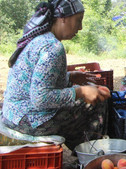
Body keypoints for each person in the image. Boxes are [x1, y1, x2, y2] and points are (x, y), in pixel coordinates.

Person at [1, 0, 111, 151]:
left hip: (13, 115)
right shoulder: (53, 47)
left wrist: (70, 77)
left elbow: (40, 81)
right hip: (29, 121)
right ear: (63, 18)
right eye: (78, 21)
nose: (80, 27)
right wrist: (80, 91)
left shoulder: (40, 39)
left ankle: (81, 148)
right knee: (97, 103)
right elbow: (40, 98)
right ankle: (89, 153)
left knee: (79, 100)